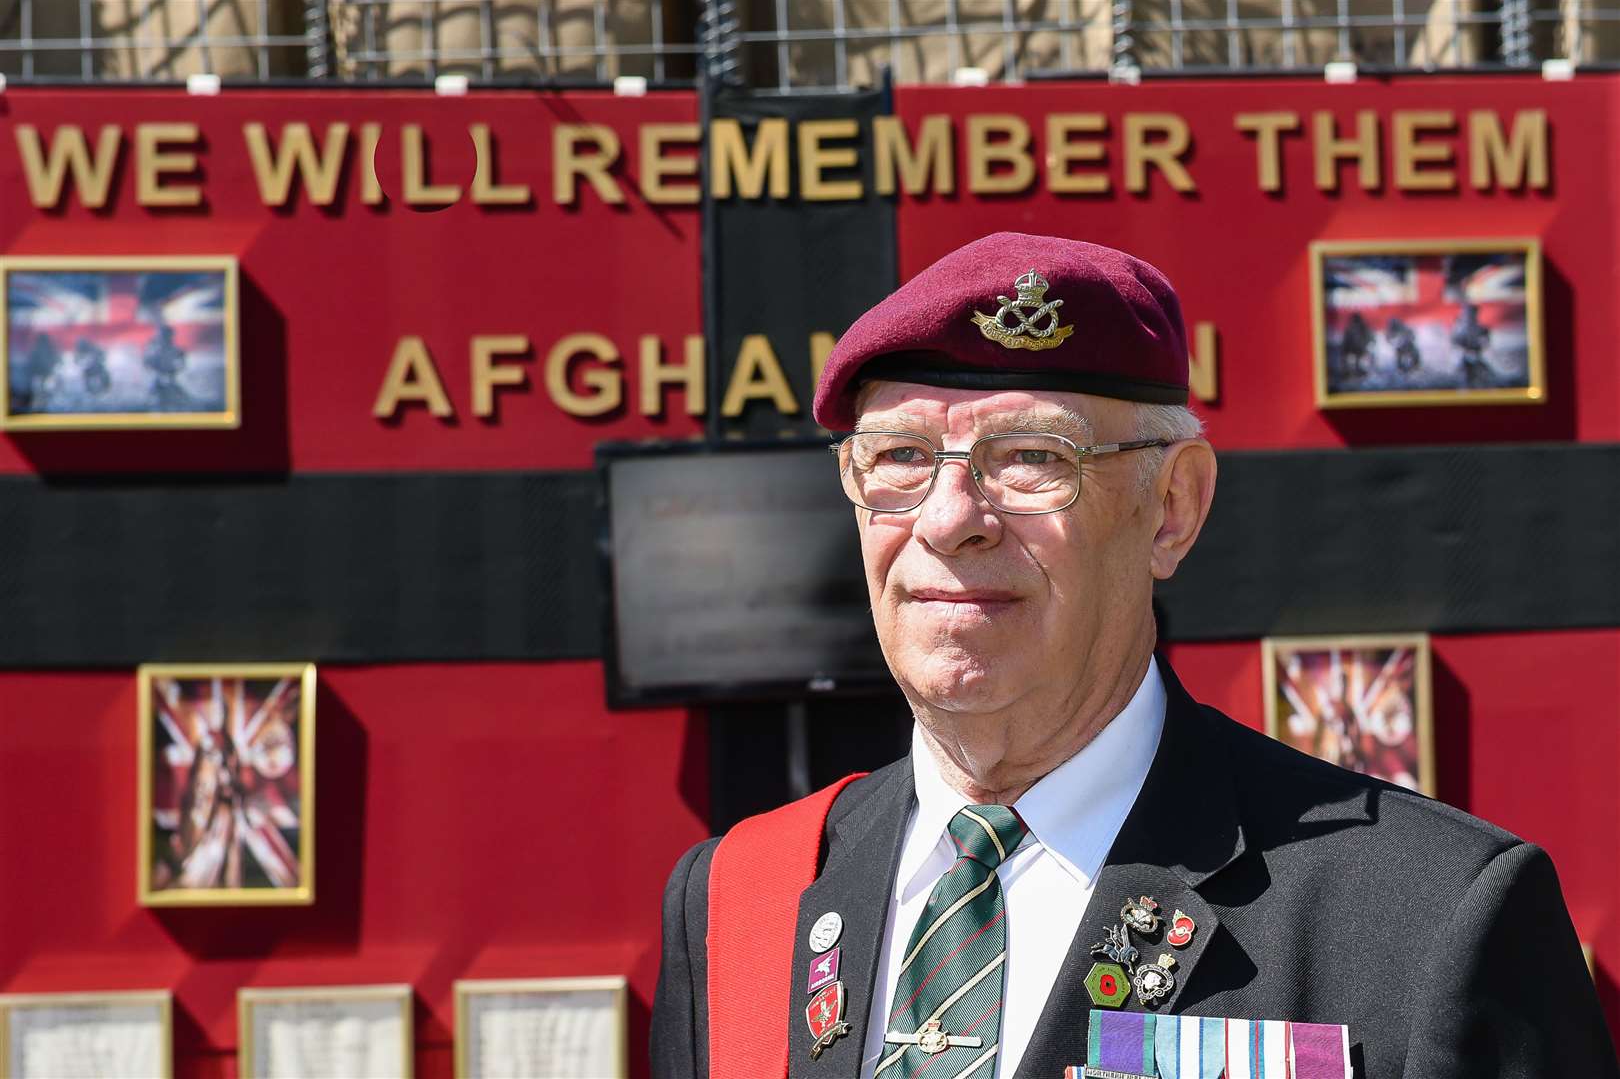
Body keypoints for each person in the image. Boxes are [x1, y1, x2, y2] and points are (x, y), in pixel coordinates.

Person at [651, 233, 1616, 1079]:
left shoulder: (1430, 919)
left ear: (1173, 510)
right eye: (899, 457)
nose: (949, 521)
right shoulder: (739, 902)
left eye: (1031, 457)